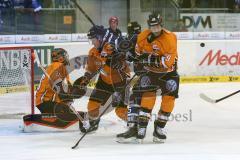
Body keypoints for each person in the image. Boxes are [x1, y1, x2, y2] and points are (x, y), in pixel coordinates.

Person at [117, 13, 179, 143]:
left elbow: (166, 63)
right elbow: (139, 54)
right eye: (152, 26)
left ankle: (159, 128)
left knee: (169, 101)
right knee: (145, 97)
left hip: (169, 73)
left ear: (161, 24)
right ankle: (139, 127)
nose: (155, 28)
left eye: (157, 25)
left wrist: (146, 59)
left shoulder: (170, 38)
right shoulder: (142, 36)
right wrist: (137, 61)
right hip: (150, 72)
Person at [76, 25, 131, 133]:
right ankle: (93, 124)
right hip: (104, 82)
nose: (92, 42)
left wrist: (118, 60)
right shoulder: (93, 52)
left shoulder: (112, 47)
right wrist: (85, 80)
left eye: (94, 39)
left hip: (121, 81)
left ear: (100, 38)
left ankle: (136, 125)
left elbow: (125, 56)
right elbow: (91, 69)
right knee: (92, 106)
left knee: (120, 111)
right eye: (91, 40)